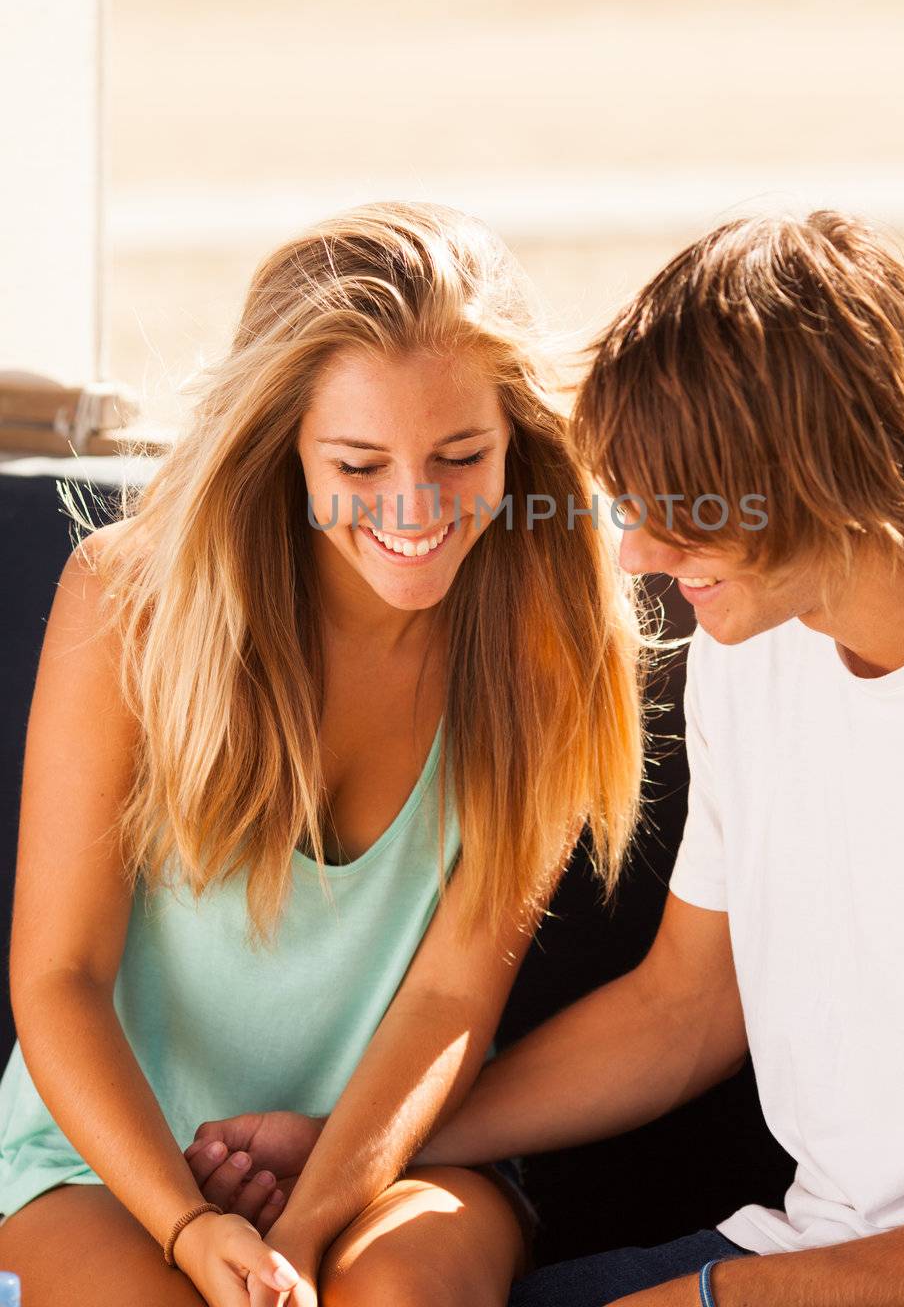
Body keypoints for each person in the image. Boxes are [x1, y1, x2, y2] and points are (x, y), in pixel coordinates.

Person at [188, 210, 904, 1306]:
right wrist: (349, 1152)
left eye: (684, 514)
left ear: (819, 478)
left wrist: (709, 1300)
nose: (638, 554)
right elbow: (677, 1013)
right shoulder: (754, 640)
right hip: (802, 1247)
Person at [0, 201, 647, 1307]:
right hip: (106, 1166)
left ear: (515, 442)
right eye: (357, 460)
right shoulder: (129, 604)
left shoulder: (544, 644)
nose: (414, 504)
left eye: (460, 454)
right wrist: (191, 1225)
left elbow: (449, 1002)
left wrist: (301, 1234)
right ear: (284, 447)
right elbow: (59, 979)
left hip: (393, 1159)